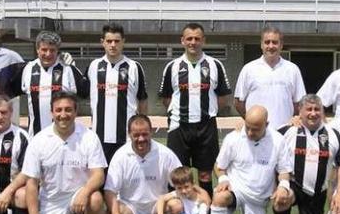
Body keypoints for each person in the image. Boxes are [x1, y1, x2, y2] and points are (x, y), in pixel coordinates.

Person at [22, 91, 109, 214]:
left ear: (76, 112)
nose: (63, 114)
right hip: (52, 201)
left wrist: (84, 192)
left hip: (80, 195)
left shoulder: (89, 137)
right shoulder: (39, 141)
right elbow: (31, 184)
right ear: (51, 113)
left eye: (68, 110)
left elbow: (98, 175)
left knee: (95, 199)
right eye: (59, 110)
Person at [210, 106, 293, 214]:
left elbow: (284, 170)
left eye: (255, 129)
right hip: (237, 191)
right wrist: (223, 179)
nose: (249, 133)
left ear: (266, 124)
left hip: (259, 200)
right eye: (247, 127)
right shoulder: (233, 139)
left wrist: (283, 185)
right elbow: (219, 166)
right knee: (220, 197)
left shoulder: (277, 140)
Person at [159, 22, 232, 197]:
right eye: (189, 38)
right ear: (182, 41)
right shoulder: (172, 66)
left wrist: (206, 112)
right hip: (179, 126)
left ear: (203, 41)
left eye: (197, 39)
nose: (193, 42)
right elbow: (166, 98)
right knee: (178, 174)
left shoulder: (215, 65)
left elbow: (223, 98)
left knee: (205, 174)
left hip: (206, 127)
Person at [274, 94, 340, 214]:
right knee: (282, 199)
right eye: (308, 109)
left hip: (316, 194)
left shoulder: (332, 134)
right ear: (300, 112)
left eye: (317, 109)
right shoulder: (288, 130)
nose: (313, 113)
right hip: (294, 186)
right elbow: (263, 135)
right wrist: (241, 128)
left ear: (323, 112)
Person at [103, 114, 183, 214]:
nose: (141, 139)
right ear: (129, 135)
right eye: (136, 135)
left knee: (177, 205)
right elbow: (110, 190)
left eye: (145, 134)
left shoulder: (165, 153)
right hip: (130, 208)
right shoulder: (120, 155)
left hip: (156, 208)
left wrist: (167, 197)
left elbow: (182, 183)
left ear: (151, 132)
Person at [83, 23, 149, 162]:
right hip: (99, 136)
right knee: (101, 179)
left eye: (117, 41)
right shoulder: (93, 66)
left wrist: (142, 126)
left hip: (126, 137)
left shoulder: (134, 67)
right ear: (102, 42)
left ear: (123, 42)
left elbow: (142, 99)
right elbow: (80, 92)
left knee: (127, 180)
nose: (113, 45)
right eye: (109, 41)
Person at [233, 25, 306, 130]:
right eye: (267, 42)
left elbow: (299, 102)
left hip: (285, 132)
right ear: (261, 45)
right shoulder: (249, 69)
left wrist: (290, 121)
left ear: (281, 45)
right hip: (257, 133)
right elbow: (238, 102)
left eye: (275, 42)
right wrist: (252, 122)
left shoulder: (292, 69)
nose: (271, 46)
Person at [20, 31, 81, 137]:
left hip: (63, 137)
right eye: (44, 50)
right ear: (37, 50)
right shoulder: (28, 68)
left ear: (57, 51)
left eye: (52, 50)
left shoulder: (67, 69)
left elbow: (79, 95)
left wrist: (74, 68)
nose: (48, 54)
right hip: (35, 136)